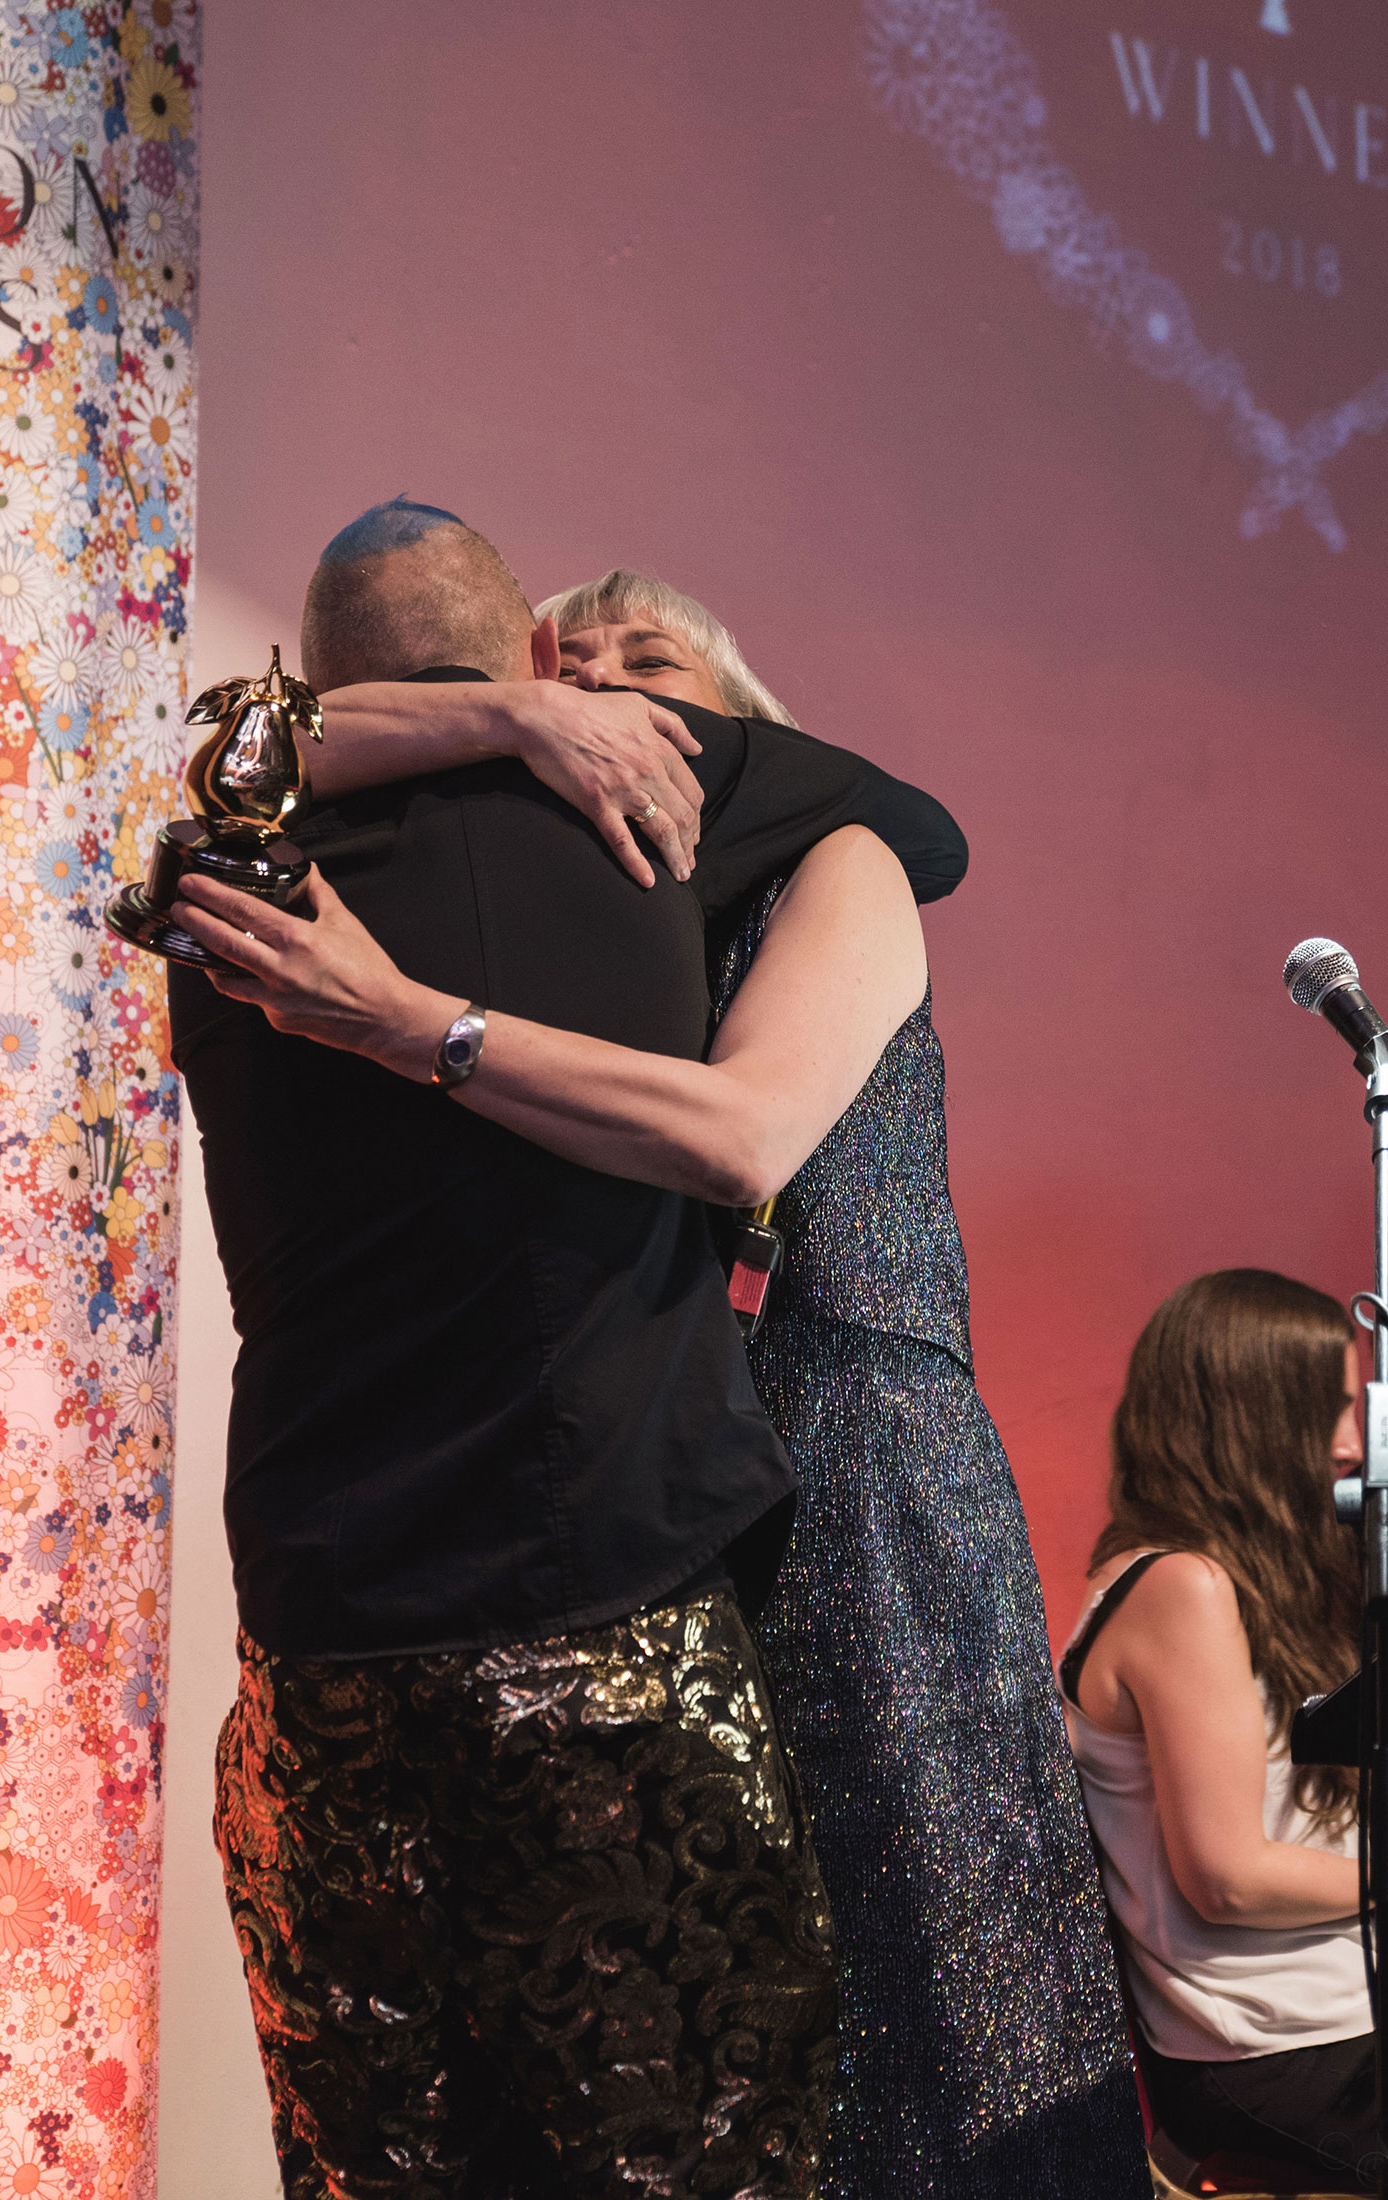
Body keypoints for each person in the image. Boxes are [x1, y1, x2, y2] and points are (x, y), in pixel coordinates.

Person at [178, 564, 1150, 2197]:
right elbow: (228, 743)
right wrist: (508, 711)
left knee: (923, 1998)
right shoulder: (612, 887)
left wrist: (403, 1019)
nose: (606, 682)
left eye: (652, 657)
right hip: (680, 1479)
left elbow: (744, 1133)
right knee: (714, 2036)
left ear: (739, 711)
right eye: (573, 666)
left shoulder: (840, 856)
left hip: (860, 1469)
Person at [1060, 1269, 1376, 2190]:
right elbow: (1228, 1879)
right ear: (1252, 1416)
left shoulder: (1252, 1582)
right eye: (1331, 1409)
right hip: (1270, 2053)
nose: (1354, 1443)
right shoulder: (1182, 1588)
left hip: (1337, 2016)